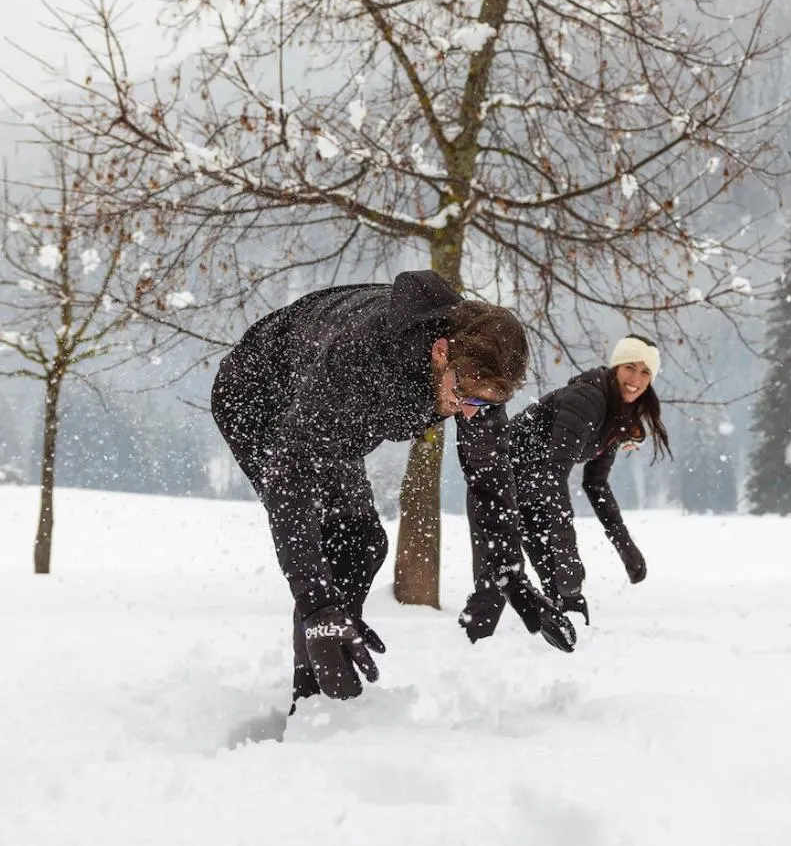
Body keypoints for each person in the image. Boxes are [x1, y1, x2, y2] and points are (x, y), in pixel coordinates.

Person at [210, 270, 576, 708]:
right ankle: (313, 700)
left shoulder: (476, 378)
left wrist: (508, 572)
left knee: (362, 544)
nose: (469, 412)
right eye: (464, 396)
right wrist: (316, 605)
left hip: (325, 411)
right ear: (440, 352)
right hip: (260, 394)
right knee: (336, 547)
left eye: (484, 403)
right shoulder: (363, 358)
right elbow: (293, 478)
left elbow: (489, 477)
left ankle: (333, 685)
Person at [503, 334, 671, 623]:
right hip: (499, 474)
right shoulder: (586, 400)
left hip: (535, 486)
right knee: (499, 585)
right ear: (616, 367)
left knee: (562, 594)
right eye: (630, 367)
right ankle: (476, 638)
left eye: (645, 372)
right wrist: (567, 554)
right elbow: (555, 474)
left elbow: (596, 484)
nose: (636, 379)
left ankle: (565, 634)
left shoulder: (616, 415)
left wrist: (625, 547)